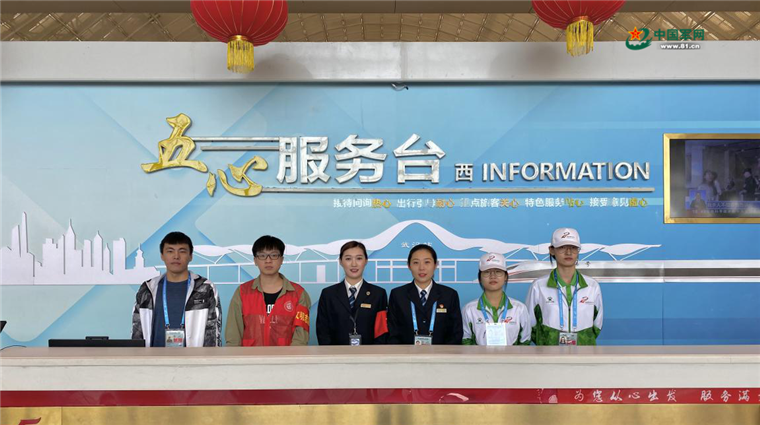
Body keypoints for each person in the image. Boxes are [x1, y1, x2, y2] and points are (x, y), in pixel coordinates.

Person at [131, 232, 222, 347]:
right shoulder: (148, 288)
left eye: (182, 251)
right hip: (153, 357)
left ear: (191, 256)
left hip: (194, 357)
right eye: (170, 251)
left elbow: (213, 333)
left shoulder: (205, 288)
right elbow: (137, 331)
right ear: (162, 255)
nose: (176, 256)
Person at [225, 235, 311, 346]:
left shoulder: (298, 294)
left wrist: (290, 357)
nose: (268, 260)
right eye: (262, 256)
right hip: (250, 356)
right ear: (255, 260)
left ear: (281, 260)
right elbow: (233, 335)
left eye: (274, 255)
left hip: (286, 356)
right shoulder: (242, 292)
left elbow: (300, 338)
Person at [525, 228, 603, 346]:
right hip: (549, 353)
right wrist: (547, 341)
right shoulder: (539, 286)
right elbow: (530, 324)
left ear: (578, 251)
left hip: (584, 352)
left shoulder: (592, 286)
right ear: (552, 250)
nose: (568, 252)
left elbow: (597, 325)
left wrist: (583, 339)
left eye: (573, 247)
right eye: (562, 247)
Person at [316, 241, 389, 345]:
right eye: (348, 259)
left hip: (370, 353)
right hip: (336, 353)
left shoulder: (378, 294)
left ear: (366, 261)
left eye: (359, 258)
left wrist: (374, 353)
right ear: (340, 261)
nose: (354, 264)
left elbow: (382, 331)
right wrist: (330, 353)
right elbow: (322, 330)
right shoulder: (328, 294)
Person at [388, 245, 462, 345]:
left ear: (435, 265)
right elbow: (393, 333)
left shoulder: (449, 295)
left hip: (442, 353)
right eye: (416, 262)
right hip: (406, 353)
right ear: (409, 266)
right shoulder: (398, 295)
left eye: (427, 262)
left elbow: (456, 333)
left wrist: (443, 353)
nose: (421, 268)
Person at [462, 253, 530, 346]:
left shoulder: (519, 309)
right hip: (479, 356)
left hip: (511, 356)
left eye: (498, 271)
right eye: (487, 272)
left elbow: (525, 343)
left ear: (505, 277)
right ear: (479, 278)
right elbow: (466, 342)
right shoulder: (469, 310)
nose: (493, 276)